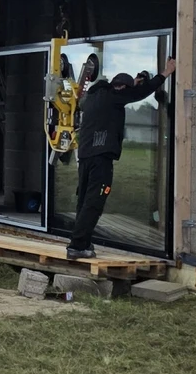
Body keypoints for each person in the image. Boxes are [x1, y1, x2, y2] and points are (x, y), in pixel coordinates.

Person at [67, 58, 173, 259]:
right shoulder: (113, 97)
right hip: (101, 157)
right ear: (122, 88)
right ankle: (77, 246)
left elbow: (128, 89)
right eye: (127, 89)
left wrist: (135, 81)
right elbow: (140, 92)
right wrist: (165, 73)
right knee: (95, 201)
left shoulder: (94, 96)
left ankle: (82, 242)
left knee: (84, 200)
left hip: (86, 156)